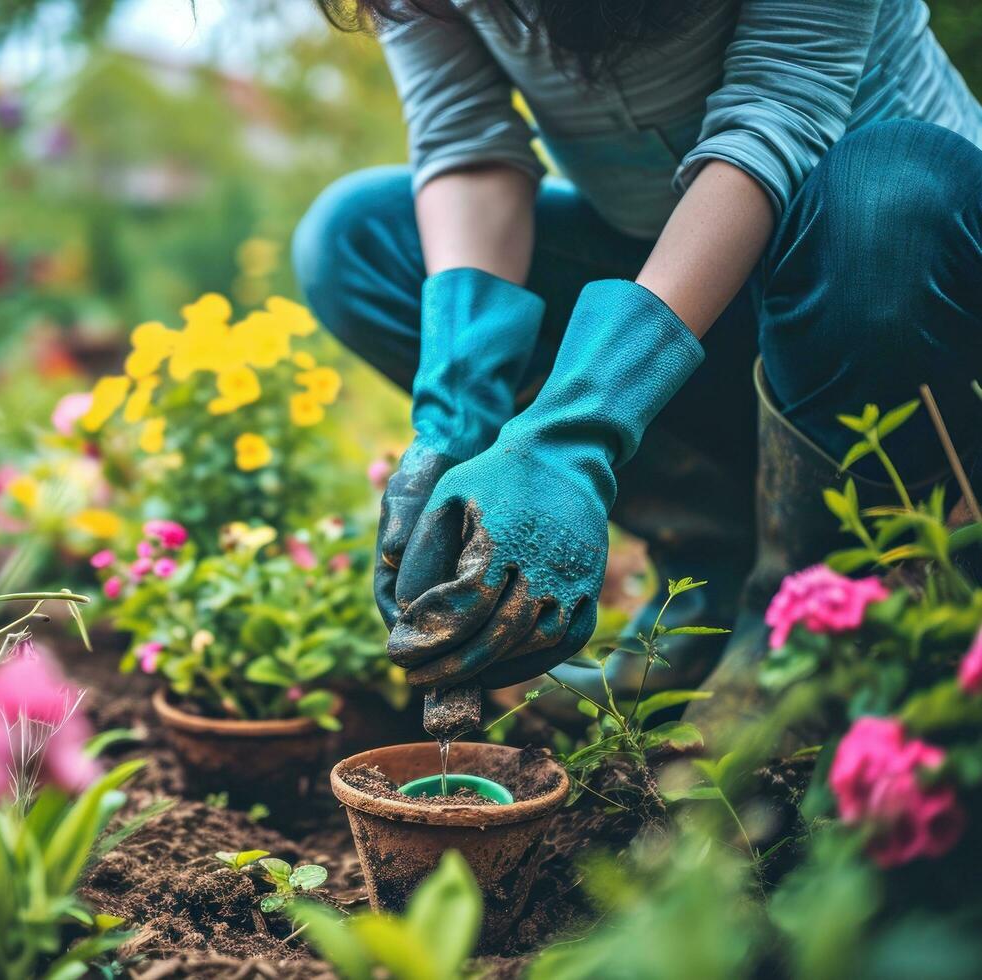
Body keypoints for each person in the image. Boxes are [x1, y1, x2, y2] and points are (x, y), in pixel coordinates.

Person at [292, 0, 982, 732]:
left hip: (887, 294)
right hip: (686, 300)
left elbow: (772, 115)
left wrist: (574, 427)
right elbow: (466, 142)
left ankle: (801, 616)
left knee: (885, 198)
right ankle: (709, 563)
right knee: (360, 241)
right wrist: (457, 416)